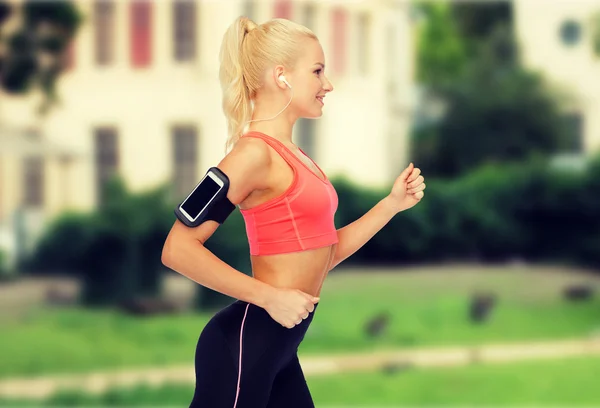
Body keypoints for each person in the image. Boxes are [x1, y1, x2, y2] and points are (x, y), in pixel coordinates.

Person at [161, 16, 426, 408]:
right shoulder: (252, 155)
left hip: (280, 348)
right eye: (318, 71)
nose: (328, 84)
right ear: (281, 76)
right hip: (242, 346)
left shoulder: (297, 159)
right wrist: (269, 297)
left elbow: (324, 253)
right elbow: (178, 249)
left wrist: (390, 205)